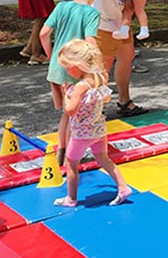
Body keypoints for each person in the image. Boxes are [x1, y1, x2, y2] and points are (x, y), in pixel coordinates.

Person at [52, 39, 133, 208]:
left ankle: (71, 198)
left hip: (82, 133)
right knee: (104, 159)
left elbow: (70, 110)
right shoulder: (99, 78)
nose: (66, 71)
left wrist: (66, 94)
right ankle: (123, 187)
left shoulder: (81, 87)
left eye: (68, 66)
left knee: (71, 163)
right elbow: (107, 97)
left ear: (79, 64)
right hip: (98, 129)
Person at [39, 0, 101, 167]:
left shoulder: (62, 7)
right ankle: (69, 155)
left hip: (57, 68)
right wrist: (96, 66)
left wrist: (52, 56)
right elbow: (90, 41)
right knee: (71, 114)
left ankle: (62, 151)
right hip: (75, 68)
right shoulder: (91, 13)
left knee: (65, 114)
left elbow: (43, 33)